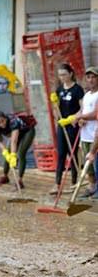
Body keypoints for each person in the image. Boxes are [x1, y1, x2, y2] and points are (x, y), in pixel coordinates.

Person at [52, 63, 85, 194]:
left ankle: (74, 182)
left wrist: (73, 118)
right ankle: (57, 184)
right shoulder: (59, 90)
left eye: (64, 74)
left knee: (72, 153)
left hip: (72, 125)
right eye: (60, 75)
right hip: (62, 126)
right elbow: (56, 110)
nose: (62, 77)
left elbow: (83, 108)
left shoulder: (78, 90)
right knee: (61, 154)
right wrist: (55, 106)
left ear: (71, 74)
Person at [0, 111, 36, 190]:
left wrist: (13, 155)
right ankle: (5, 176)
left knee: (20, 153)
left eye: (3, 121)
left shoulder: (13, 122)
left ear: (5, 118)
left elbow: (14, 141)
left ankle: (19, 180)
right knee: (7, 154)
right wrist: (5, 152)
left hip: (27, 132)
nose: (2, 124)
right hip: (15, 135)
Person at [75, 67, 98, 197]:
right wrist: (79, 120)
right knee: (88, 166)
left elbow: (96, 114)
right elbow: (82, 112)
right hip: (85, 134)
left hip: (96, 134)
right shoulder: (86, 95)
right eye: (88, 77)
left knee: (96, 163)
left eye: (93, 77)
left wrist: (81, 117)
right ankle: (91, 186)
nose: (90, 80)